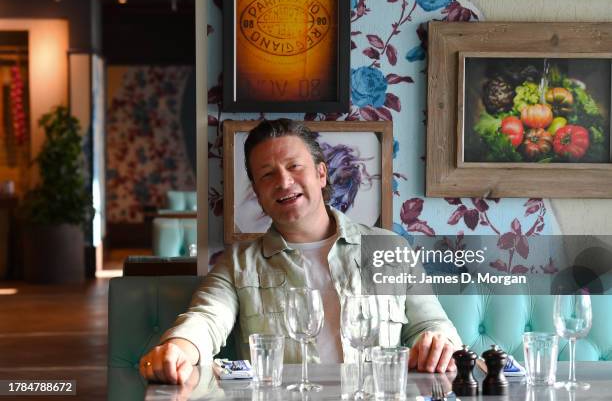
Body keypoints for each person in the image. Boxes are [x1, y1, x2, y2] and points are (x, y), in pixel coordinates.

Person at [139, 119, 462, 384]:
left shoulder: (387, 248)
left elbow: (432, 325)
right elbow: (206, 320)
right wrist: (179, 347)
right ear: (258, 192)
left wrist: (438, 342)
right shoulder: (239, 263)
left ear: (321, 174)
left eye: (294, 166)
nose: (283, 181)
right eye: (267, 174)